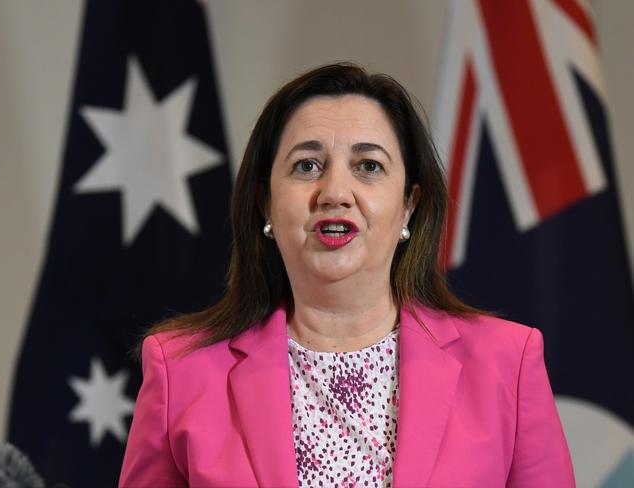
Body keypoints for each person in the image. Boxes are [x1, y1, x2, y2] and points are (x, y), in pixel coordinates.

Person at [119, 63, 575, 487]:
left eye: (368, 166)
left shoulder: (507, 364)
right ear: (266, 204)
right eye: (307, 165)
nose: (335, 192)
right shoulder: (180, 372)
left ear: (409, 205)